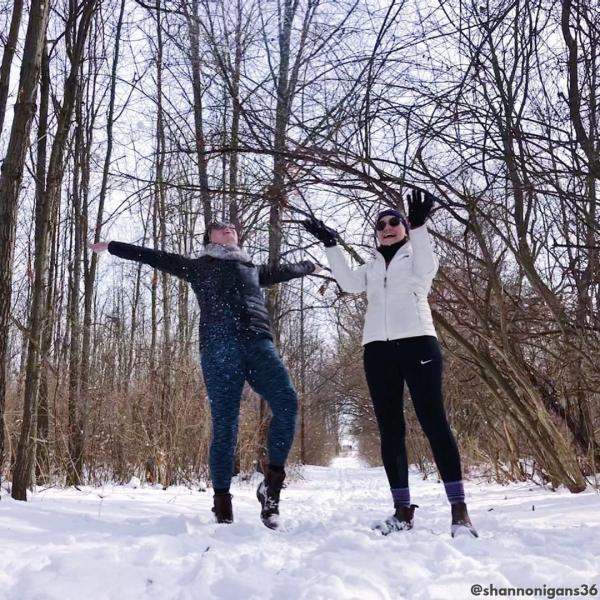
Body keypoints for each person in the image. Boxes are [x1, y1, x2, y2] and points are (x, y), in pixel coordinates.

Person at [89, 221, 320, 530]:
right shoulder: (199, 267)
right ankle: (222, 505)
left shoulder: (251, 268)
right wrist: (114, 246)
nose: (229, 230)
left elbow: (284, 270)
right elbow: (154, 256)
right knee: (225, 424)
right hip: (218, 348)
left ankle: (271, 490)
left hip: (258, 344)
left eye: (233, 229)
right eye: (220, 228)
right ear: (209, 239)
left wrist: (308, 265)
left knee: (287, 402)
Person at [303, 191, 478, 537]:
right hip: (377, 351)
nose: (387, 227)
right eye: (381, 225)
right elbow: (348, 284)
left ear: (404, 228)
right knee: (390, 429)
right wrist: (331, 244)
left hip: (418, 343)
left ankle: (459, 511)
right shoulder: (369, 269)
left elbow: (428, 264)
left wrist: (419, 224)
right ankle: (402, 510)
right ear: (376, 234)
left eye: (394, 222)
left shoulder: (417, 261)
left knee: (434, 422)